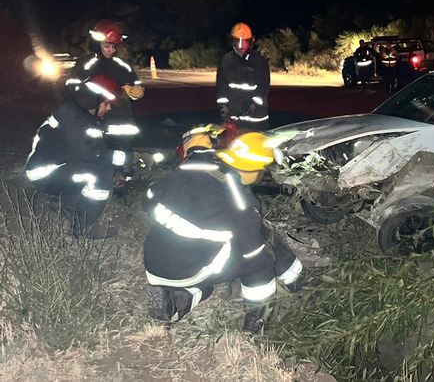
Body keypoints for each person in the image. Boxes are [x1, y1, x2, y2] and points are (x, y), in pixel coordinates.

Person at [142, 132, 303, 332]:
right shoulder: (241, 203)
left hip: (154, 262)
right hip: (189, 270)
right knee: (261, 260)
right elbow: (254, 253)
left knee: (211, 274)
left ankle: (176, 301)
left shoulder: (187, 171)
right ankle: (257, 322)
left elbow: (148, 199)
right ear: (253, 170)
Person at [25, 74, 127, 237]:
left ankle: (63, 202)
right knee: (100, 173)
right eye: (107, 103)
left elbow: (95, 149)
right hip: (46, 174)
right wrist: (122, 162)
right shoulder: (74, 118)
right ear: (94, 100)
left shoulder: (79, 115)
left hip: (55, 168)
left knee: (98, 167)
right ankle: (84, 227)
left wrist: (117, 168)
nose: (109, 109)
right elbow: (90, 154)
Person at [66, 21, 144, 192]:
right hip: (95, 117)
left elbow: (137, 86)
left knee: (123, 150)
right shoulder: (86, 64)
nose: (111, 50)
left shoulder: (122, 65)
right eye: (107, 46)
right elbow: (72, 86)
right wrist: (89, 95)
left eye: (114, 46)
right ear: (97, 43)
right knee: (98, 149)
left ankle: (122, 180)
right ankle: (100, 179)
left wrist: (135, 91)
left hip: (122, 117)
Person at [216, 22, 271, 131]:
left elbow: (264, 86)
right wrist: (223, 107)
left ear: (250, 41)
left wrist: (254, 105)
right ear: (232, 41)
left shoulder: (259, 61)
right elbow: (221, 87)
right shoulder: (226, 60)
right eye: (238, 41)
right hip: (233, 118)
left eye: (245, 41)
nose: (242, 45)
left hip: (256, 120)